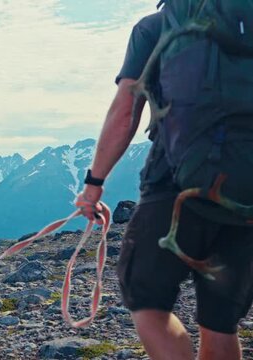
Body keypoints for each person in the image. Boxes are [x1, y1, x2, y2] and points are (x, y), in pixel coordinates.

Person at [76, 8, 253, 360]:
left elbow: (126, 111)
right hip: (247, 198)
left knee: (147, 302)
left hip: (174, 187)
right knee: (220, 322)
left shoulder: (157, 27)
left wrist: (94, 184)